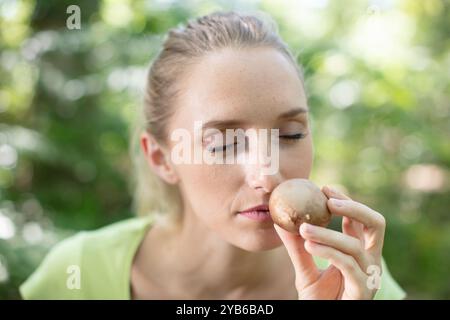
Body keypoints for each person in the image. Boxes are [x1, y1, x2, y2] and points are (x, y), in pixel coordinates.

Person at [20, 11, 406, 300]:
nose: (267, 175)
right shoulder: (77, 275)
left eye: (290, 134)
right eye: (223, 143)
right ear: (160, 158)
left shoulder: (355, 277)